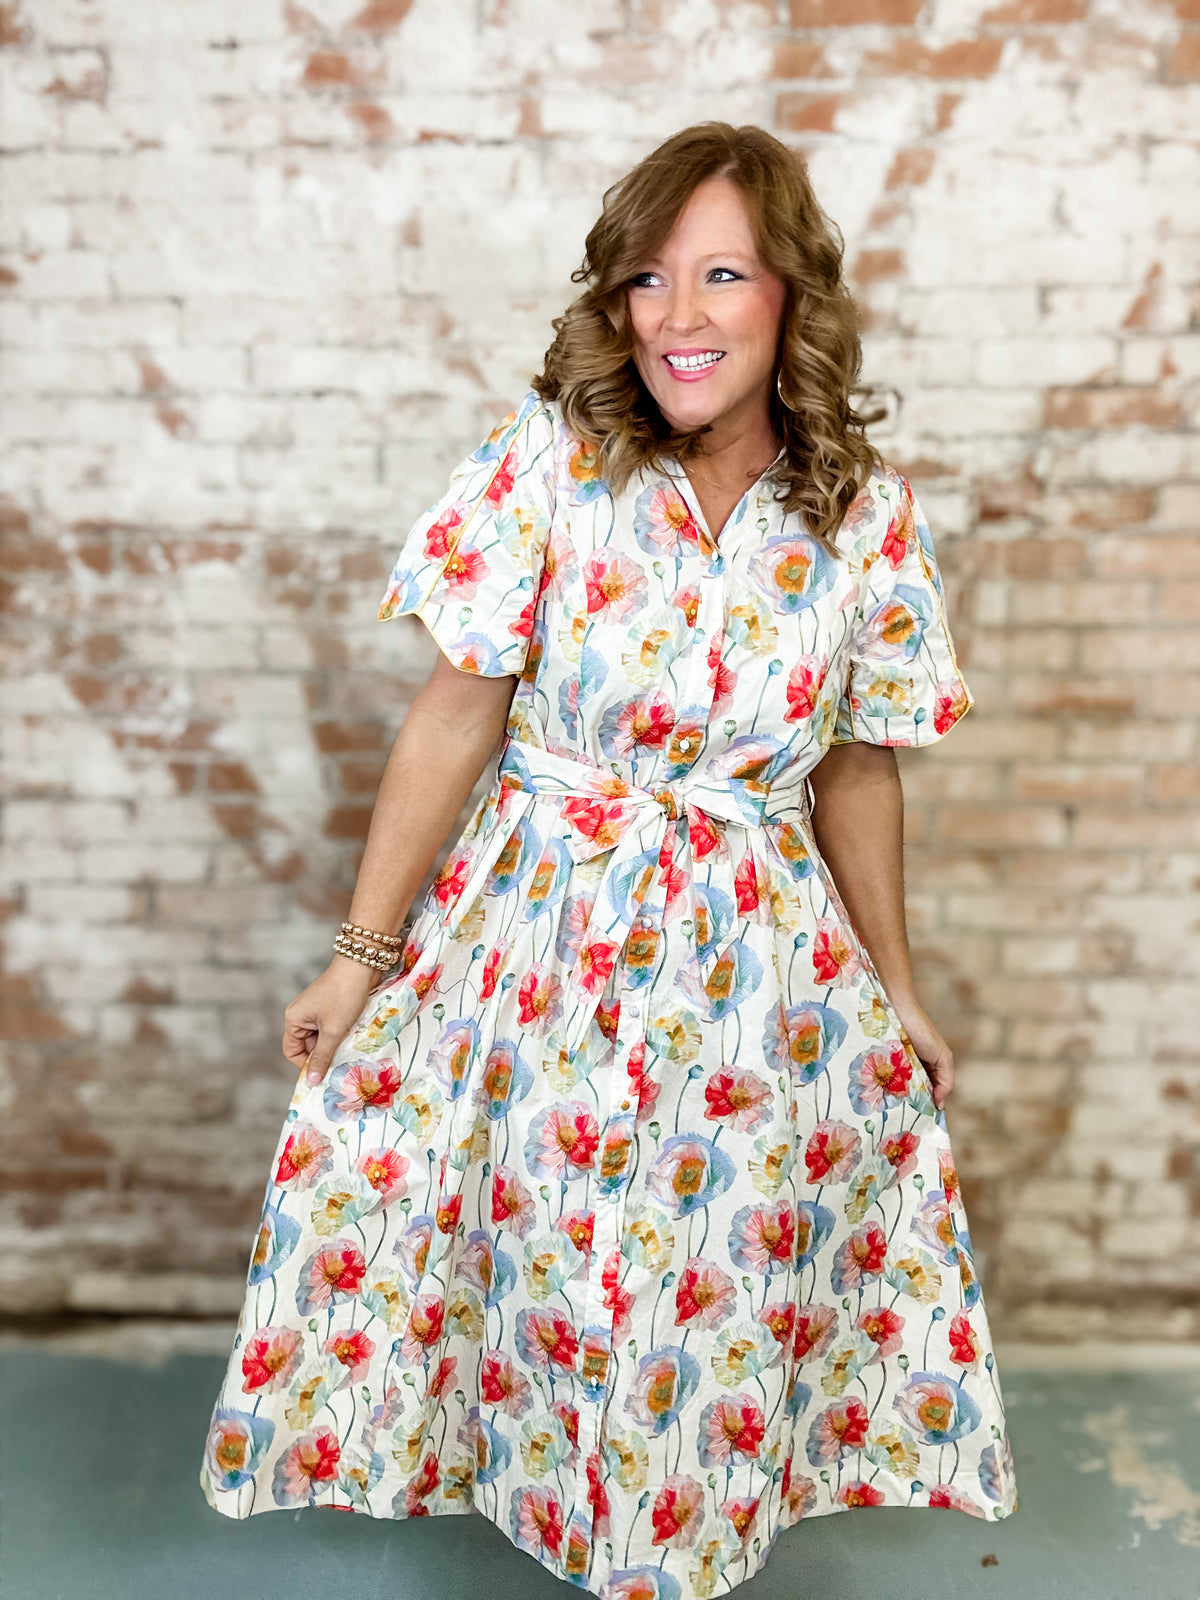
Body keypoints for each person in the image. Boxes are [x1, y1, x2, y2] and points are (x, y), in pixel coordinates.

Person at [201, 121, 1017, 1596]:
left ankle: (669, 1558)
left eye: (722, 275)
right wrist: (360, 958)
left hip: (754, 965)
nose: (678, 316)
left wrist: (898, 988)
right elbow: (455, 714)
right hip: (538, 944)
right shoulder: (553, 459)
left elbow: (857, 765)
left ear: (793, 295)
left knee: (704, 1284)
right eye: (648, 278)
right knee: (558, 1262)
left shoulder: (863, 513)